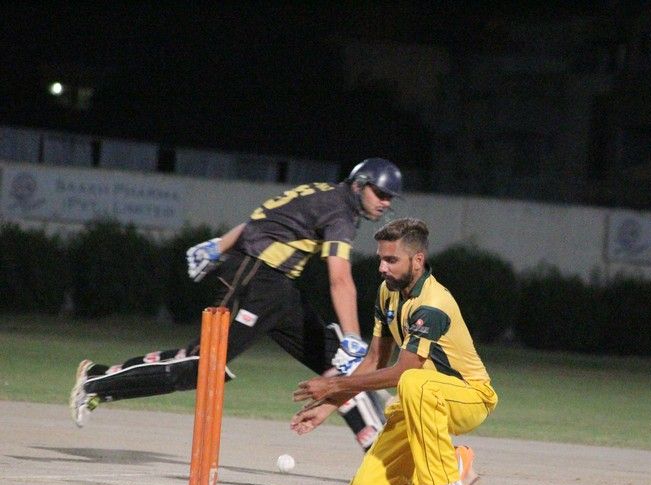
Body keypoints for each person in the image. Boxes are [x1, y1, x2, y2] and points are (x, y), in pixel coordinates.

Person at [69, 158, 402, 451]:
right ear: (358, 184)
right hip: (255, 278)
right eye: (380, 193)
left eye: (389, 197)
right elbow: (340, 279)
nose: (385, 202)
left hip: (276, 287)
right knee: (201, 366)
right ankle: (95, 382)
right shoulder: (340, 211)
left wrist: (219, 245)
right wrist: (352, 336)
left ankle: (381, 459)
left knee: (343, 369)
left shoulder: (326, 195)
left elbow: (261, 221)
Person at [291, 218, 498, 485]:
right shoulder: (387, 292)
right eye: (381, 258)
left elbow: (403, 372)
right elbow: (374, 361)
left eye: (391, 260)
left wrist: (333, 384)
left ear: (417, 260)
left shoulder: (432, 304)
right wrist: (329, 405)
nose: (382, 267)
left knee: (412, 381)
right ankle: (452, 464)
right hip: (420, 400)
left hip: (470, 397)